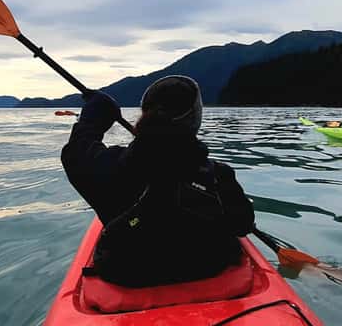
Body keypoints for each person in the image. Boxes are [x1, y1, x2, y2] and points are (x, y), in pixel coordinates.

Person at [61, 75, 255, 287]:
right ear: (195, 120)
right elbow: (243, 225)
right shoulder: (219, 175)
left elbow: (76, 153)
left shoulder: (108, 167)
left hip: (126, 274)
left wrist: (92, 118)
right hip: (207, 268)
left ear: (145, 115)